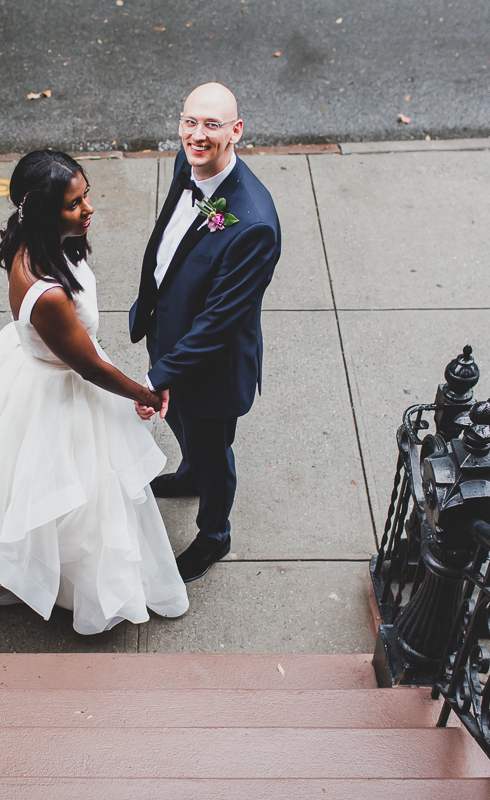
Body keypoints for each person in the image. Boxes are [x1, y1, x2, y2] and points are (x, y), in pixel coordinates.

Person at [0, 150, 189, 635]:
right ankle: (67, 582)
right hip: (61, 387)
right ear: (41, 211)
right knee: (76, 494)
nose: (89, 209)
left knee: (38, 488)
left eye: (86, 196)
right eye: (74, 203)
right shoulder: (49, 294)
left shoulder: (34, 243)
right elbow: (89, 366)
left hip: (37, 368)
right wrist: (142, 392)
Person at [130, 82, 281, 583]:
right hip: (168, 335)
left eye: (212, 125)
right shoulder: (187, 162)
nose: (197, 135)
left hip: (210, 367)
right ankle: (189, 471)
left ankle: (215, 533)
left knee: (214, 452)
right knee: (184, 430)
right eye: (190, 122)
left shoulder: (254, 222)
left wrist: (161, 376)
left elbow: (220, 321)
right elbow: (172, 241)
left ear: (236, 131)